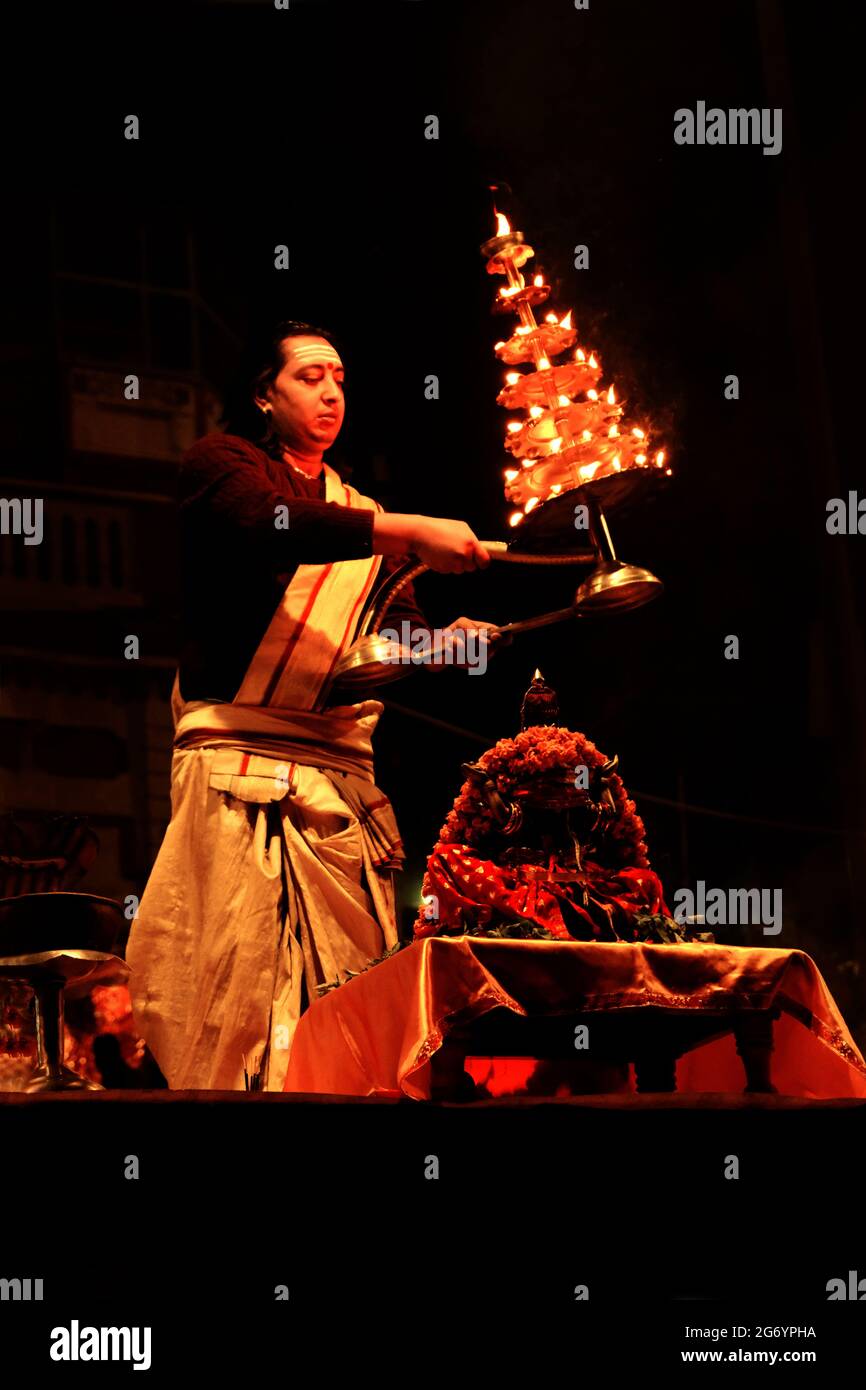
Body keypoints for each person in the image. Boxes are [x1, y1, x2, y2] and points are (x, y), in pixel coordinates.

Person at [126, 318, 504, 1091]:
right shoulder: (221, 467)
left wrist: (447, 647)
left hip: (337, 791)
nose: (331, 392)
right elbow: (264, 524)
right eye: (309, 376)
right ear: (264, 393)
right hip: (240, 769)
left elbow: (385, 647)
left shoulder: (356, 514)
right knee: (238, 985)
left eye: (339, 378)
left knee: (349, 992)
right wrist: (404, 529)